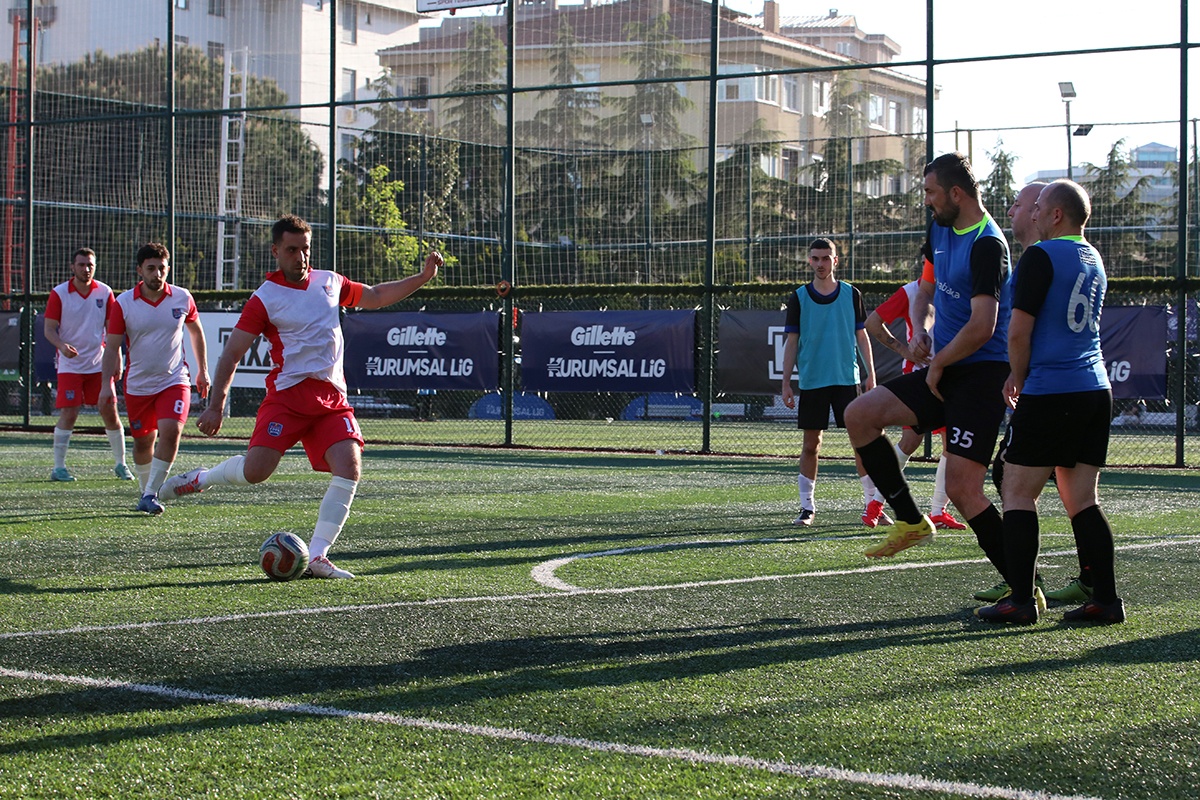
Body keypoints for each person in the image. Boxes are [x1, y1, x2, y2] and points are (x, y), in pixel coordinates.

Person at [161, 214, 444, 579]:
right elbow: (231, 354)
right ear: (276, 251)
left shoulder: (329, 281)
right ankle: (201, 479)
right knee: (255, 472)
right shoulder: (265, 298)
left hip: (331, 398)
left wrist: (421, 278)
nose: (301, 257)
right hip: (288, 398)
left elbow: (374, 296)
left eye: (305, 249)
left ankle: (318, 555)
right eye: (292, 250)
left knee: (350, 467)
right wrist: (215, 406)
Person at [844, 153, 1023, 609]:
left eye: (930, 192)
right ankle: (910, 520)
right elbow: (925, 290)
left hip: (980, 375)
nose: (926, 200)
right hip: (945, 367)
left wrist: (938, 363)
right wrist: (921, 328)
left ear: (956, 194)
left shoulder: (988, 244)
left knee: (963, 489)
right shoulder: (939, 229)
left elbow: (983, 326)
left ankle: (1025, 588)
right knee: (859, 414)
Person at [976, 180, 1124, 624]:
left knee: (1017, 492)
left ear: (1057, 214)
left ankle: (1021, 600)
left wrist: (1018, 378)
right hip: (1095, 388)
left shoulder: (1041, 256)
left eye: (1039, 206)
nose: (1034, 212)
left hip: (1052, 389)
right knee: (1082, 499)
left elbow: (1019, 332)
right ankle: (1106, 600)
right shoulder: (1093, 256)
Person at [99, 242, 210, 514]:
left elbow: (196, 332)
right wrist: (105, 386)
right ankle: (145, 491)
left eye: (162, 268)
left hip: (174, 380)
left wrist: (203, 370)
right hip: (138, 385)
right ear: (140, 270)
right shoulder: (124, 303)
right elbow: (111, 347)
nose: (157, 274)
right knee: (143, 442)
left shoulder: (182, 297)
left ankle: (151, 493)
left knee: (171, 431)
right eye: (151, 268)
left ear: (168, 269)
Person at [780, 237, 878, 527]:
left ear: (835, 261)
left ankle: (872, 505)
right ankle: (807, 507)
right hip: (813, 381)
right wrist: (786, 383)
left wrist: (871, 373)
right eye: (815, 258)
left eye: (826, 258)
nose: (820, 263)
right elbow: (792, 342)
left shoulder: (851, 294)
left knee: (861, 444)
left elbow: (862, 335)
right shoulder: (799, 297)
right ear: (809, 261)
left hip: (847, 379)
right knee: (811, 445)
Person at [864, 276, 966, 531]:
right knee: (910, 442)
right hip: (919, 374)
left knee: (951, 444)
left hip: (951, 374)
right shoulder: (911, 291)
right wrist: (904, 351)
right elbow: (873, 322)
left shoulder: (959, 285)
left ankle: (938, 511)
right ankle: (876, 502)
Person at [44, 247, 134, 482]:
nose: (86, 269)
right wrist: (62, 346)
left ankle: (121, 464)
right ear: (72, 267)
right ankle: (58, 468)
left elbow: (113, 330)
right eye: (82, 264)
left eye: (90, 265)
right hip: (70, 366)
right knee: (69, 413)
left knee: (110, 411)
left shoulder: (105, 292)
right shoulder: (59, 293)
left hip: (99, 365)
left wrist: (118, 357)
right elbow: (49, 330)